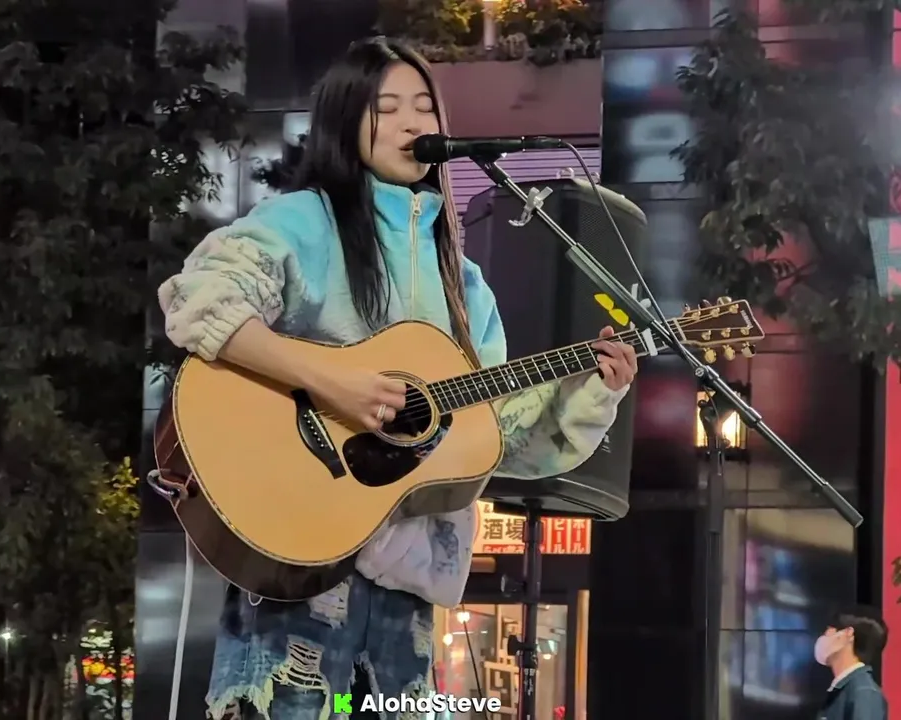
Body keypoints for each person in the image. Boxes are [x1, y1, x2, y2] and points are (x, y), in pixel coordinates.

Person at [157, 37, 636, 720]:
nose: (413, 123)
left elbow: (494, 440)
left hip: (406, 596)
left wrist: (593, 392)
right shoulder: (304, 223)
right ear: (345, 122)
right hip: (299, 564)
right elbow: (200, 302)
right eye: (386, 108)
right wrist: (332, 383)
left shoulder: (464, 283)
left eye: (424, 107)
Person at [815, 611, 889, 720]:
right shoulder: (844, 688)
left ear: (848, 633)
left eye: (829, 629)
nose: (823, 636)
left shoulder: (864, 692)